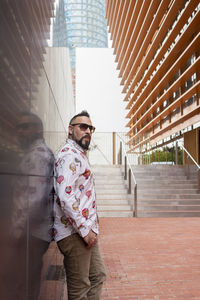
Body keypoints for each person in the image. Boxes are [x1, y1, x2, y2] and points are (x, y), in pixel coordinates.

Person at [54, 110, 106, 300]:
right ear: (70, 130)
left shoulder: (79, 154)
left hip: (84, 231)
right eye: (82, 126)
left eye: (90, 128)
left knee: (97, 275)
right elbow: (65, 197)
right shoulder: (69, 156)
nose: (88, 131)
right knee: (79, 290)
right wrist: (86, 231)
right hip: (74, 233)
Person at [8, 112, 54, 300]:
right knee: (26, 284)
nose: (19, 131)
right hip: (32, 232)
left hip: (31, 234)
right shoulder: (38, 153)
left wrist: (17, 232)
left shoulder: (37, 155)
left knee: (24, 286)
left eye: (25, 126)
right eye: (18, 127)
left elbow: (34, 199)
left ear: (38, 129)